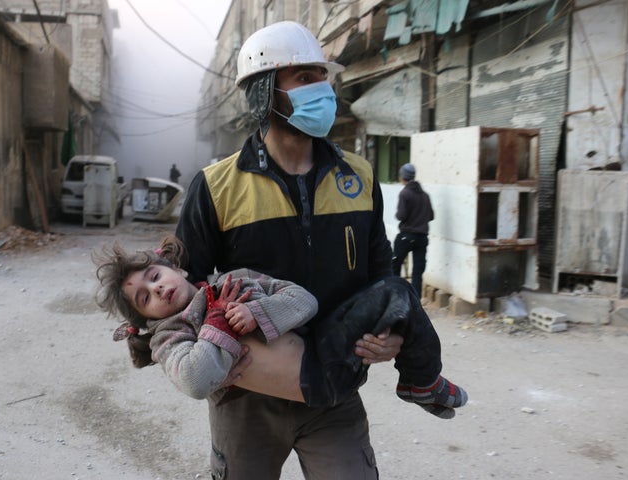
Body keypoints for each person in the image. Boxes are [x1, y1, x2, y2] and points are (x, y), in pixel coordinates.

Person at [175, 20, 425, 479]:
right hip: (247, 394)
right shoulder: (215, 187)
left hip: (335, 388)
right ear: (266, 92)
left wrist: (393, 334)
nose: (322, 90)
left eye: (322, 77)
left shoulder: (360, 177)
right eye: (305, 79)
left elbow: (381, 276)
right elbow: (182, 287)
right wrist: (201, 356)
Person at [94, 236, 467, 416]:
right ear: (146, 320)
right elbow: (193, 379)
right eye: (145, 298)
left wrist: (258, 314)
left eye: (154, 275)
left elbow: (305, 302)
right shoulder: (169, 336)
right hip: (305, 388)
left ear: (175, 267)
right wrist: (218, 322)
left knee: (396, 290)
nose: (156, 288)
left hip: (332, 355)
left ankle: (421, 381)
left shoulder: (233, 281)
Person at [391, 163, 435, 300]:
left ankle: (397, 298)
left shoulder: (405, 193)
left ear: (403, 177)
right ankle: (416, 301)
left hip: (406, 236)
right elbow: (431, 216)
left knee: (394, 266)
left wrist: (399, 215)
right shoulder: (425, 195)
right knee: (417, 272)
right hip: (422, 238)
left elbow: (401, 216)